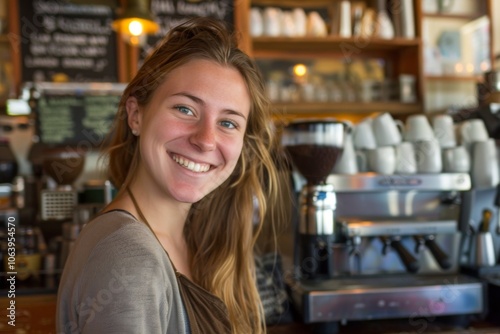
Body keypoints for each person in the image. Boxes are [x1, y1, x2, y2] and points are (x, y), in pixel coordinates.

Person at [56, 16, 290, 334]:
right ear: (136, 115)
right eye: (185, 109)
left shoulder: (194, 237)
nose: (206, 140)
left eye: (228, 122)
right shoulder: (130, 257)